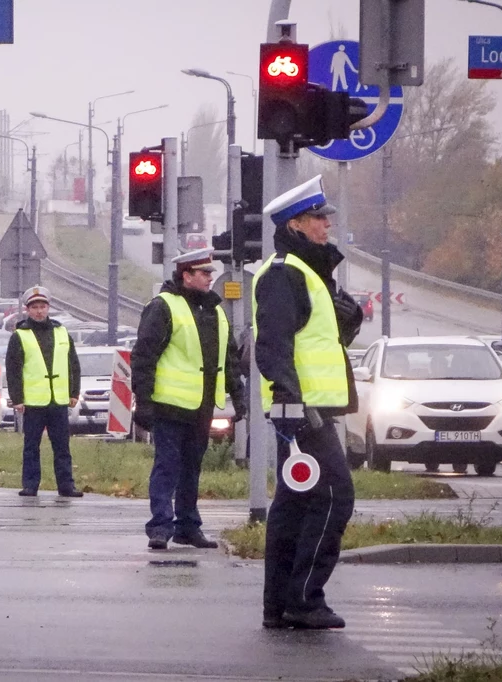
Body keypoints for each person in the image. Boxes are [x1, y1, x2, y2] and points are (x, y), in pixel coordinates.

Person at [253, 175, 363, 630]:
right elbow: (273, 345)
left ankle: (280, 605)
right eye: (320, 219)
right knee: (335, 496)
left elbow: (319, 339)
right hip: (302, 411)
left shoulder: (307, 273)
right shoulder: (284, 273)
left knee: (294, 505)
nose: (327, 227)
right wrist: (292, 404)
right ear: (297, 224)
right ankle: (303, 598)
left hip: (307, 408)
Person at [132, 248, 245, 551]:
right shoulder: (163, 307)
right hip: (169, 404)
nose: (211, 278)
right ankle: (160, 527)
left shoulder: (216, 311)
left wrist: (238, 395)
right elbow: (144, 356)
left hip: (202, 406)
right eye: (204, 273)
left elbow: (229, 359)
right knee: (167, 465)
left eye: (210, 273)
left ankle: (187, 526)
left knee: (191, 467)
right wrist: (142, 402)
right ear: (187, 275)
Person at [5, 286, 83, 498]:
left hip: (58, 400)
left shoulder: (61, 332)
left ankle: (66, 486)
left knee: (62, 446)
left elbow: (73, 364)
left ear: (48, 308)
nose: (39, 311)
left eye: (43, 306)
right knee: (31, 446)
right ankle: (30, 485)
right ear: (27, 310)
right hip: (33, 402)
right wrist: (17, 399)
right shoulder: (20, 335)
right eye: (35, 307)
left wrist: (74, 392)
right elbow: (13, 370)